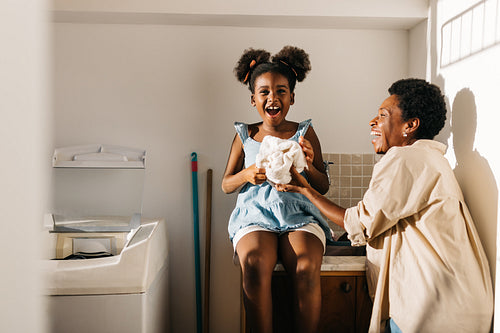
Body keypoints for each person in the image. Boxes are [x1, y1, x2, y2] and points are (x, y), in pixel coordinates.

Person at [277, 78, 494, 333]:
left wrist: (305, 189)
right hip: (460, 303)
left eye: (382, 115)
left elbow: (361, 223)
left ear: (410, 125)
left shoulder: (407, 159)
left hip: (437, 309)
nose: (373, 122)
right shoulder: (429, 159)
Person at [222, 46, 333, 333]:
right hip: (256, 215)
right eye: (265, 92)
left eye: (281, 91)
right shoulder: (245, 135)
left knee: (307, 267)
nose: (273, 98)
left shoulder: (304, 132)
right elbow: (226, 184)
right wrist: (247, 174)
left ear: (292, 97)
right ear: (253, 99)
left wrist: (308, 166)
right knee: (255, 263)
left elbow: (323, 185)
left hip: (300, 214)